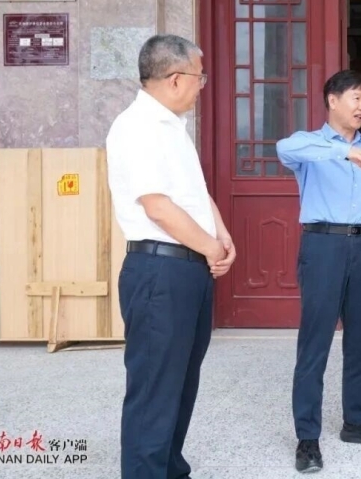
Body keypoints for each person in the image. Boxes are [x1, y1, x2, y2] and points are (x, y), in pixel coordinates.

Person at [106, 34, 236, 479]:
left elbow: (194, 194)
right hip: (159, 271)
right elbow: (157, 206)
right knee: (154, 388)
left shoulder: (173, 129)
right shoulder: (137, 127)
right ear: (176, 79)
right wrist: (210, 246)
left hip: (188, 268)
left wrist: (221, 235)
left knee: (181, 381)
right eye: (201, 77)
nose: (203, 86)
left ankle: (170, 468)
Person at [276, 70, 361, 474]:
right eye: (356, 98)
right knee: (315, 342)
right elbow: (284, 148)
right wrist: (341, 152)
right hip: (323, 245)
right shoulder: (309, 144)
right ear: (332, 100)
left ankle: (357, 421)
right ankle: (307, 438)